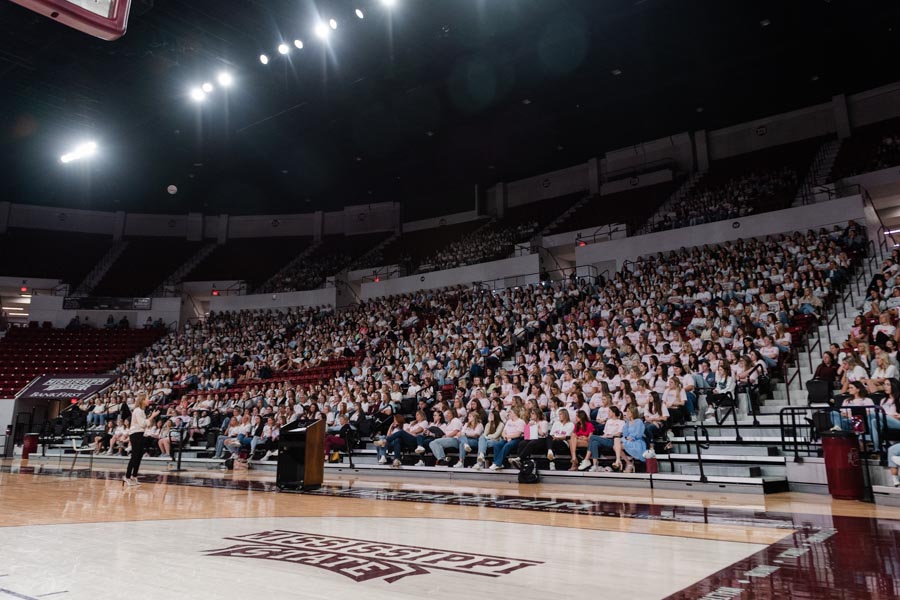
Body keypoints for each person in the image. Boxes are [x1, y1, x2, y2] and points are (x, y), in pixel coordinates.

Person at [125, 392, 158, 487]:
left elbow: (144, 424)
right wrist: (152, 417)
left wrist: (149, 418)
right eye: (147, 399)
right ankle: (127, 476)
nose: (149, 400)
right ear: (142, 400)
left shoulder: (141, 411)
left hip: (139, 434)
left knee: (139, 456)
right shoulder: (138, 410)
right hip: (135, 434)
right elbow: (143, 424)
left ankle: (134, 476)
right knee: (135, 456)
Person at [579, 406, 624, 471]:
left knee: (592, 437)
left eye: (609, 411)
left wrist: (610, 435)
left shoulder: (621, 422)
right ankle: (595, 465)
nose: (608, 413)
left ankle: (586, 459)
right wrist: (601, 437)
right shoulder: (608, 421)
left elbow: (619, 434)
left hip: (614, 441)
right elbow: (605, 434)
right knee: (594, 442)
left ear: (613, 413)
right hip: (606, 438)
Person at [615, 405, 647, 473]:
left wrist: (632, 438)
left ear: (632, 413)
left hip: (637, 441)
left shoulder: (638, 421)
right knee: (616, 444)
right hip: (628, 440)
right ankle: (627, 462)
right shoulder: (627, 423)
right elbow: (625, 434)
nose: (626, 413)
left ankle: (624, 463)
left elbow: (639, 433)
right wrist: (626, 421)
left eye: (628, 411)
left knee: (617, 446)